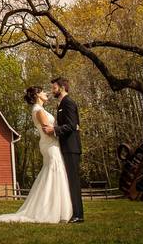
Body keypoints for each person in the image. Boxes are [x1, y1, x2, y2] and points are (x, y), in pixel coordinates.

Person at [0, 86, 73, 224]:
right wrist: (63, 133)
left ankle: (58, 208)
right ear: (37, 95)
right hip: (50, 144)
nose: (46, 93)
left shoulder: (39, 110)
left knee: (51, 173)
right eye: (43, 92)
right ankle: (51, 210)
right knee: (54, 173)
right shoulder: (38, 110)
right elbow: (47, 129)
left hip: (50, 144)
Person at [49, 77, 84, 222]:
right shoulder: (61, 104)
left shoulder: (68, 102)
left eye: (54, 88)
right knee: (69, 181)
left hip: (71, 147)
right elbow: (73, 125)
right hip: (66, 147)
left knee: (74, 182)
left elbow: (71, 125)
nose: (52, 90)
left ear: (62, 88)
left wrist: (54, 130)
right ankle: (72, 212)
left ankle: (78, 215)